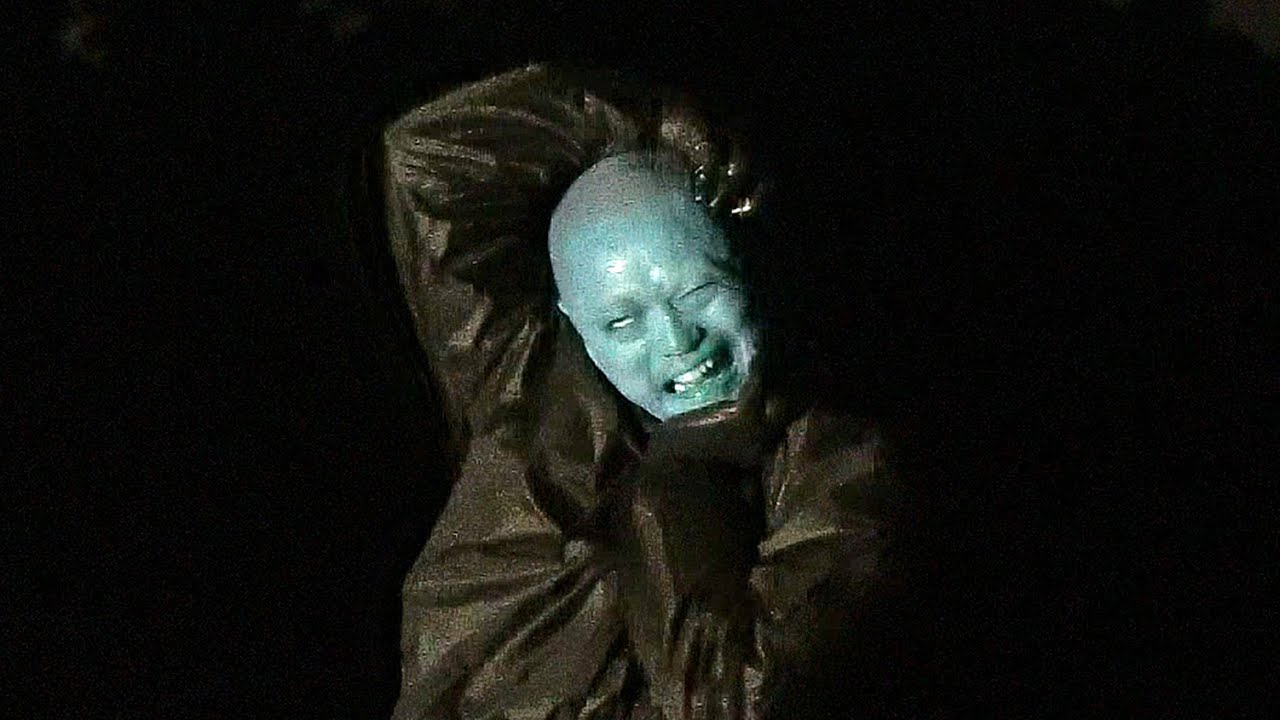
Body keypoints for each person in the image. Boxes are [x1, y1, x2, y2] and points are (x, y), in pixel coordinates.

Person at [382, 63, 902, 719]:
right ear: (572, 320)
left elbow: (733, 703)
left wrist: (681, 475)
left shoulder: (840, 466)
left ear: (744, 265)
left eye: (699, 290)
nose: (677, 341)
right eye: (623, 322)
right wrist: (653, 127)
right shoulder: (526, 383)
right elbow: (431, 155)